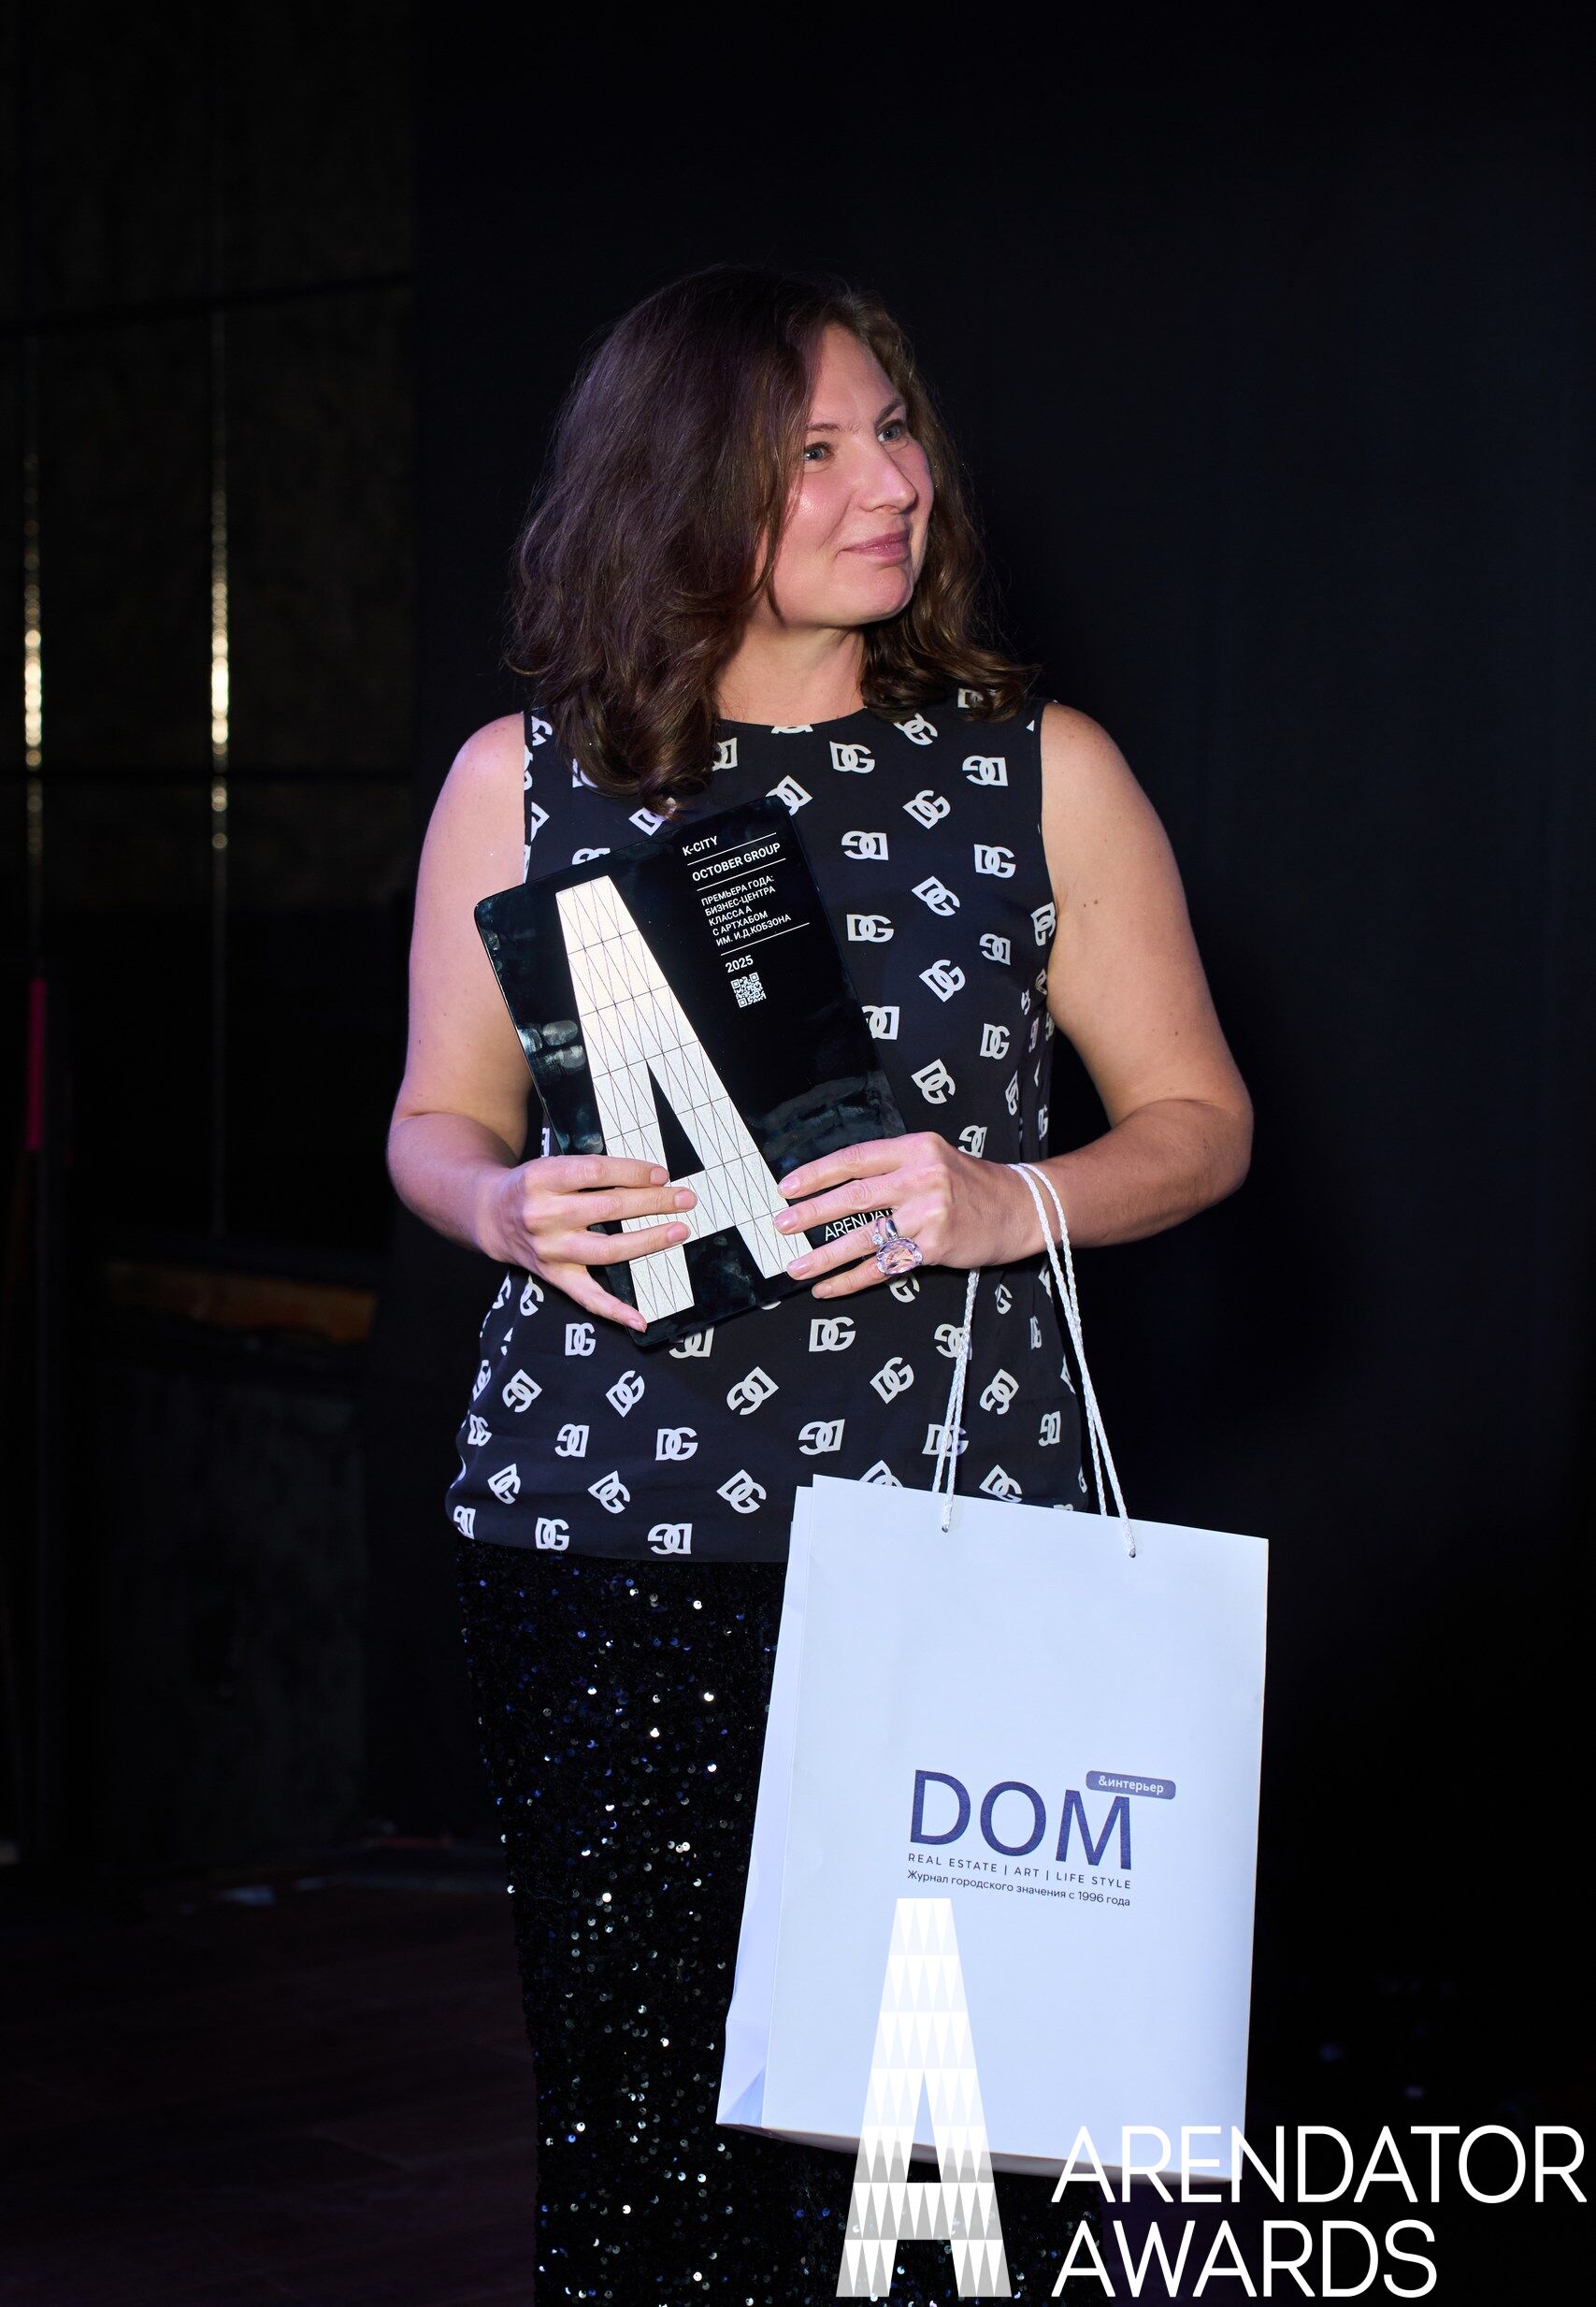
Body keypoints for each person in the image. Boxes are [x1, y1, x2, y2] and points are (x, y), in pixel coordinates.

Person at [386, 266, 1252, 2302]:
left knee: (934, 2184)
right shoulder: (519, 778)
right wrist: (500, 1209)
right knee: (640, 2135)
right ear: (678, 486)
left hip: (951, 1536)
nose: (895, 482)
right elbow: (432, 1118)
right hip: (604, 1538)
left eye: (896, 430)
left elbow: (1200, 1120)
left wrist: (1009, 1197)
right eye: (817, 451)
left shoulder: (1037, 770)